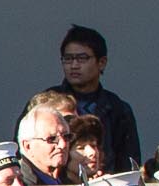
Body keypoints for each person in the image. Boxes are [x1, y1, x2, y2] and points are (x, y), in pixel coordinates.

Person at [47, 25, 141, 171]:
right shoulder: (47, 103)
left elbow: (128, 163)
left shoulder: (118, 109)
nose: (74, 65)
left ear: (101, 62)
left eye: (82, 58)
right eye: (68, 59)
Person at [17, 103, 72, 185]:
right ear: (28, 147)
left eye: (66, 137)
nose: (63, 145)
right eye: (52, 139)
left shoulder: (71, 179)